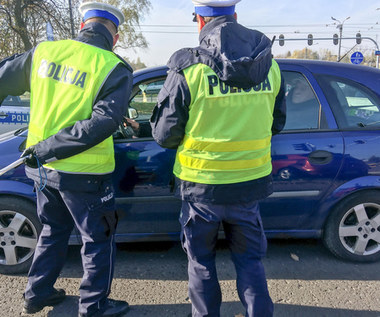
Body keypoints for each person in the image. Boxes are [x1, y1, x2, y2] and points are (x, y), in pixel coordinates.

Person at [150, 0, 286, 316]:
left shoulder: (188, 69)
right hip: (248, 188)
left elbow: (164, 136)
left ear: (200, 21)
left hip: (201, 190)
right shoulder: (271, 68)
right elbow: (277, 123)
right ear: (235, 17)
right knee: (250, 262)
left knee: (201, 264)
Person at [0, 2, 133, 316]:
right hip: (85, 174)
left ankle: (37, 293)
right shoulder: (113, 66)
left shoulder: (44, 52)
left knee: (52, 230)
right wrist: (50, 147)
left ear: (83, 27)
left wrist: (44, 149)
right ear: (114, 36)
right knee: (98, 238)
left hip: (42, 170)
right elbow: (102, 122)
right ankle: (94, 305)